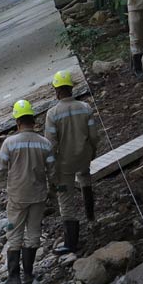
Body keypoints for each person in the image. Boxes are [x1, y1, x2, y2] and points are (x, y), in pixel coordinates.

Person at [0, 100, 55, 284]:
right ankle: (28, 274)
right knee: (33, 234)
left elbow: (0, 169)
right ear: (33, 120)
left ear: (17, 122)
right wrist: (53, 190)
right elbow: (52, 171)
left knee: (14, 234)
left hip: (17, 196)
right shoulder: (45, 144)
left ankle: (13, 277)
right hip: (38, 196)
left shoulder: (10, 143)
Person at [45, 70, 100, 254]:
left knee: (65, 200)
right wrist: (92, 152)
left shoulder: (52, 114)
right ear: (71, 88)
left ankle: (71, 242)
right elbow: (94, 136)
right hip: (84, 157)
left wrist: (50, 169)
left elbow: (51, 145)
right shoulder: (85, 107)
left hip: (65, 164)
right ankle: (91, 217)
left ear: (57, 90)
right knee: (85, 179)